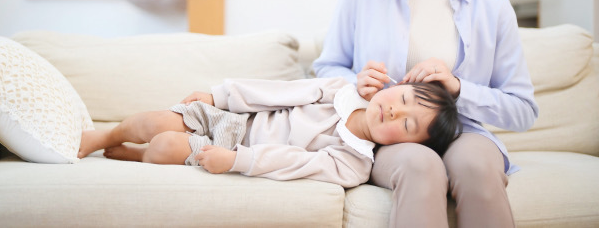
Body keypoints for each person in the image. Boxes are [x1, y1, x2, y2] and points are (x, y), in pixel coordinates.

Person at [312, 0, 539, 227]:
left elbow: (522, 110)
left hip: (463, 132)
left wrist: (458, 87)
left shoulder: (493, 7)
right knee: (421, 165)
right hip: (386, 137)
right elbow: (327, 67)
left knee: (476, 166)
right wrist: (355, 83)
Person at [78, 77, 461, 188]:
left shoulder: (353, 163)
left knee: (164, 146)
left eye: (406, 124)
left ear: (406, 145)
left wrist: (238, 160)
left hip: (236, 149)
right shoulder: (339, 91)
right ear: (395, 86)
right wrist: (220, 96)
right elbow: (278, 92)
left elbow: (294, 163)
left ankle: (140, 155)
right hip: (234, 120)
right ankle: (104, 137)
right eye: (403, 98)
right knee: (154, 122)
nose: (394, 110)